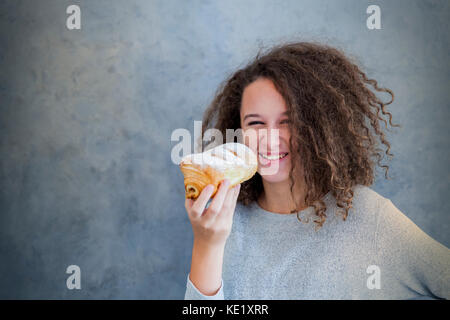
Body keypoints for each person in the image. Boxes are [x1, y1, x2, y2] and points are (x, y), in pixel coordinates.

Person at [183, 41, 450, 299]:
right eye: (255, 123)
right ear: (238, 128)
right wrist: (208, 244)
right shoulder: (222, 221)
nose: (269, 138)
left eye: (288, 122)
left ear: (320, 129)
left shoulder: (371, 219)